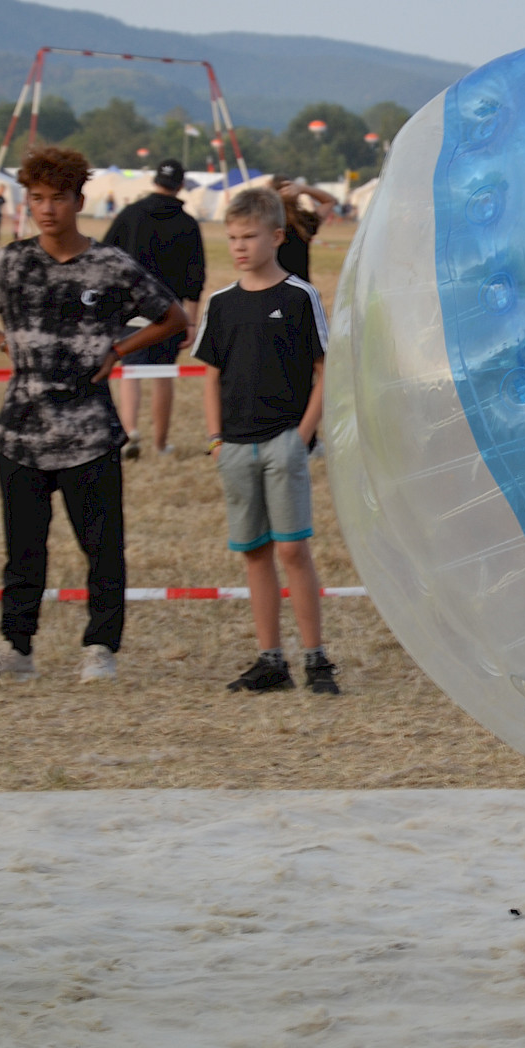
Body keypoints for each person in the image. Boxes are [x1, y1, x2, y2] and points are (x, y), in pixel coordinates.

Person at [0, 146, 186, 683]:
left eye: (58, 199)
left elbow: (173, 317)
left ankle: (99, 648)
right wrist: (3, 341)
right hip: (21, 434)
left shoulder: (110, 266)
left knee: (102, 550)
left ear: (79, 200)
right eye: (38, 199)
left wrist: (119, 349)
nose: (47, 210)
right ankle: (16, 651)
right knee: (23, 552)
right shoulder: (10, 263)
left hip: (90, 434)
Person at [193, 183, 339, 695]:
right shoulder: (220, 303)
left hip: (284, 444)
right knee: (254, 551)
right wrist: (216, 439)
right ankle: (269, 659)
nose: (239, 246)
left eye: (249, 236)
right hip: (234, 447)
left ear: (277, 236)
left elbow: (326, 369)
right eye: (232, 236)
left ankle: (316, 658)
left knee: (293, 551)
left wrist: (300, 437)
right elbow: (210, 373)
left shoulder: (301, 297)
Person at [104, 157, 205, 458]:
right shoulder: (188, 223)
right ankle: (161, 444)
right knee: (163, 374)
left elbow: (107, 253)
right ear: (181, 186)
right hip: (171, 313)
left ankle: (130, 431)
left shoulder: (131, 214)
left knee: (130, 369)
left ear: (154, 181)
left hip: (131, 308)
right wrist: (190, 321)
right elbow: (195, 276)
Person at [272, 177, 335, 284]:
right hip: (300, 286)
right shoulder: (304, 221)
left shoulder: (265, 222)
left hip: (272, 285)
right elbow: (329, 201)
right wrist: (302, 189)